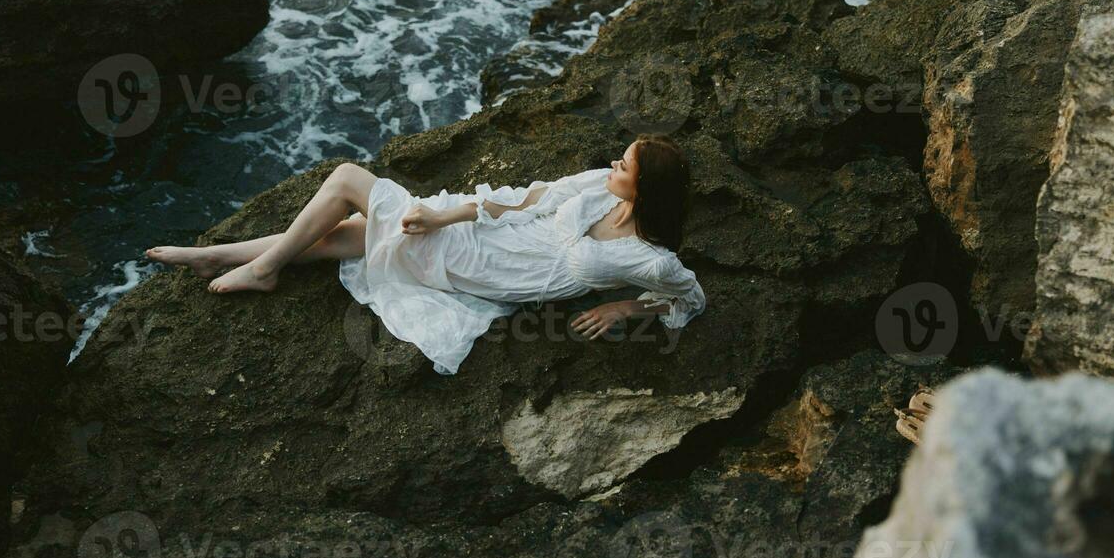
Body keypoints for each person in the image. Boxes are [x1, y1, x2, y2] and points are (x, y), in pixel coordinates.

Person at [146, 135, 705, 373]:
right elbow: (525, 202)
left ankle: (257, 266)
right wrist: (450, 213)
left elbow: (689, 298)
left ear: (642, 189)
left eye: (622, 166)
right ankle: (217, 256)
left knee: (346, 180)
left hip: (487, 271)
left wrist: (626, 308)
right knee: (349, 235)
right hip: (481, 236)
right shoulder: (591, 189)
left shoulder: (649, 260)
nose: (612, 166)